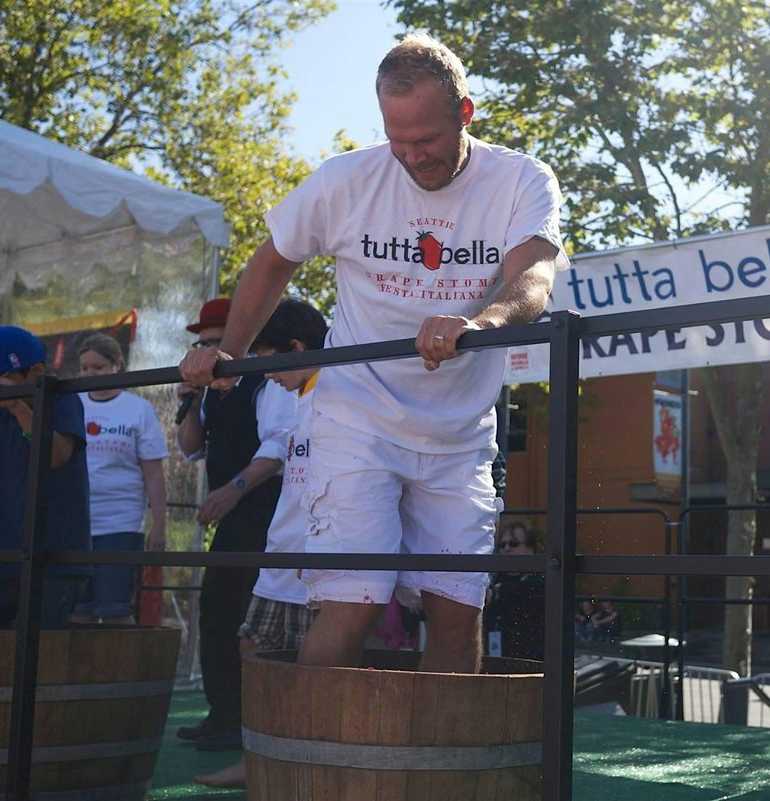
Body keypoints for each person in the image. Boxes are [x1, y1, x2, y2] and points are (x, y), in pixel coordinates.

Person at [179, 34, 564, 675]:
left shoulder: (521, 178)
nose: (413, 157)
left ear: (465, 112)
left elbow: (534, 281)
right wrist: (229, 356)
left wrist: (478, 320)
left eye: (429, 140)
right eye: (398, 140)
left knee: (455, 606)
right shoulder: (346, 178)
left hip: (460, 432)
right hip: (357, 418)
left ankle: (442, 769)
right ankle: (308, 767)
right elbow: (274, 258)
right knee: (352, 599)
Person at [195, 298, 327, 789]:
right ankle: (259, 756)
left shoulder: (343, 392)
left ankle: (314, 761)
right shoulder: (297, 396)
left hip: (320, 560)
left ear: (294, 348)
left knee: (323, 664)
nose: (263, 372)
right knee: (252, 646)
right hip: (280, 554)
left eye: (266, 358)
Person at [175, 298, 297, 751]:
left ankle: (247, 719)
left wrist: (233, 489)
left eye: (215, 341)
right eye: (201, 342)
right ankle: (220, 712)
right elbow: (189, 448)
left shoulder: (266, 383)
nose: (205, 349)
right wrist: (189, 402)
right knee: (216, 611)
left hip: (265, 512)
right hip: (231, 517)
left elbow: (279, 447)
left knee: (250, 616)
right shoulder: (210, 391)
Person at [0, 326, 91, 627]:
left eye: (2, 382)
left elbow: (56, 454)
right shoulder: (1, 416)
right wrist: (11, 405)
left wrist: (18, 407)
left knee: (34, 654)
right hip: (6, 560)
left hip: (57, 562)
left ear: (35, 370)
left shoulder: (63, 400)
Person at [70, 334, 168, 625]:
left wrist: (159, 525)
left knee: (115, 611)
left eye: (98, 367)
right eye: (84, 368)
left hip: (121, 523)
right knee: (77, 611)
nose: (90, 374)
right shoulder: (71, 403)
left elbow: (153, 472)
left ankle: (118, 670)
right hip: (76, 521)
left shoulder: (138, 409)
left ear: (117, 365)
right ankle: (78, 671)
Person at [483, 521, 545, 660]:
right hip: (493, 660)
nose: (506, 548)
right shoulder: (492, 581)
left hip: (529, 663)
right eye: (502, 545)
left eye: (514, 544)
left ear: (531, 550)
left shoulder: (540, 585)